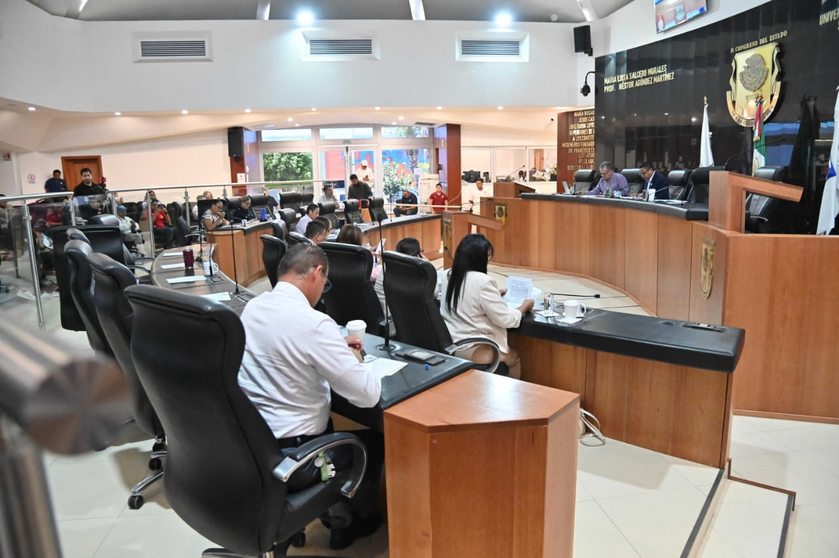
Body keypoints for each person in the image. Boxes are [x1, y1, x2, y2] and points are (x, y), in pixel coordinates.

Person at [237, 244, 383, 550]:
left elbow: (285, 349)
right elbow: (368, 395)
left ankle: (335, 517)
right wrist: (355, 358)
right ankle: (348, 524)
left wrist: (333, 346)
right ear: (317, 272)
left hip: (253, 446)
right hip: (297, 457)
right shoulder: (314, 323)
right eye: (325, 283)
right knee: (372, 444)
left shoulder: (254, 307)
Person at [441, 233, 534, 380]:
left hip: (451, 345)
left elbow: (466, 297)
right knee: (514, 359)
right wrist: (524, 306)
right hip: (476, 348)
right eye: (487, 256)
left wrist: (495, 293)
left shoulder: (447, 275)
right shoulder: (484, 281)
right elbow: (506, 320)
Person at [373, 237, 424, 335]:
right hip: (399, 324)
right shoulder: (414, 270)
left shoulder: (387, 266)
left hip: (382, 318)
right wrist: (428, 266)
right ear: (417, 255)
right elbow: (433, 293)